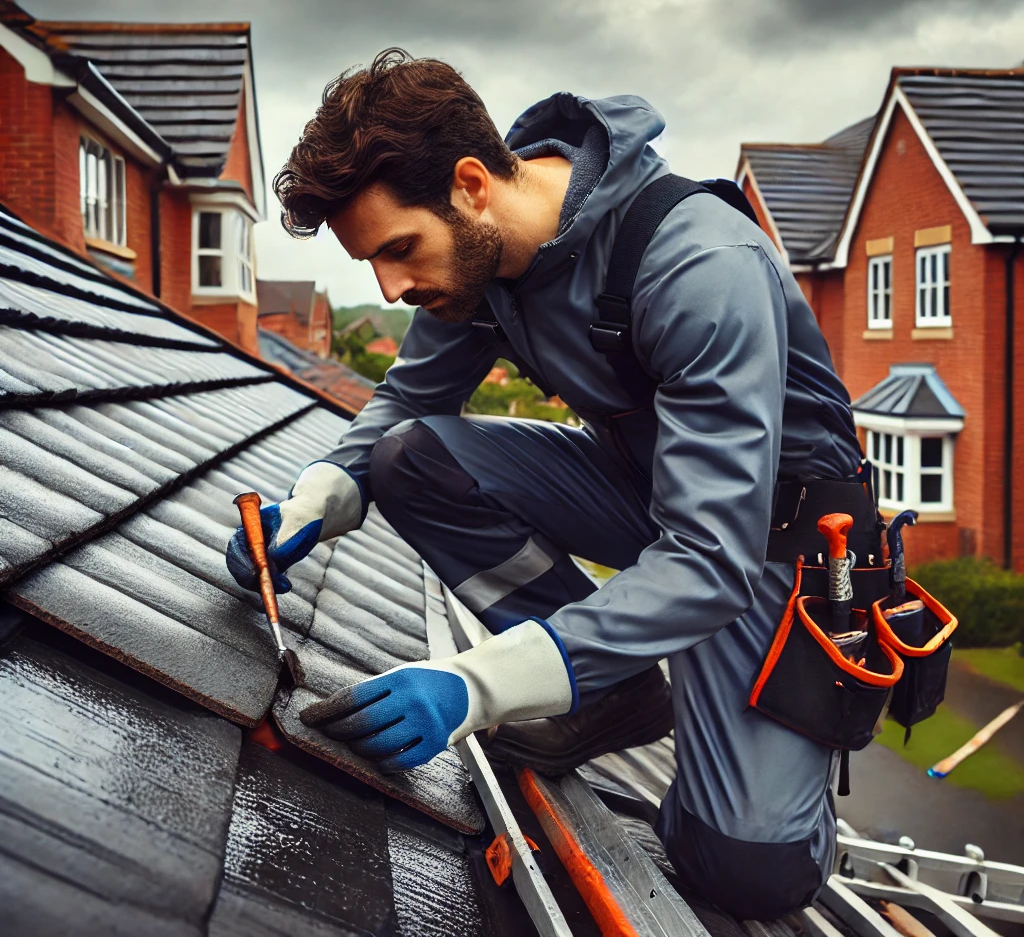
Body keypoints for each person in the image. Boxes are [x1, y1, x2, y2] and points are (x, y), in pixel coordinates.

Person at [227, 49, 867, 919]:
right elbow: (409, 402)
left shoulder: (697, 265)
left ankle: (760, 763)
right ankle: (608, 689)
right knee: (409, 458)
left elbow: (712, 557)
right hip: (649, 492)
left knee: (745, 872)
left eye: (400, 250)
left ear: (470, 184)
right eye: (374, 265)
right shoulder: (484, 267)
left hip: (770, 543)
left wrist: (475, 685)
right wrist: (314, 502)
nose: (392, 287)